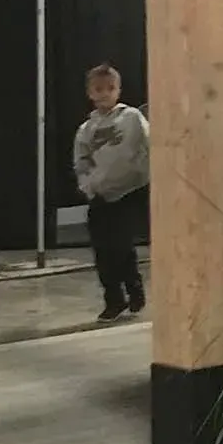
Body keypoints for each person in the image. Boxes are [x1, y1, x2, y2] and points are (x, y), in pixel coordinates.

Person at [72, 63, 149, 322]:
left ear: (118, 90)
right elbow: (81, 161)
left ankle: (134, 286)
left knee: (121, 245)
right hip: (100, 196)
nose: (104, 94)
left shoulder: (131, 118)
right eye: (98, 89)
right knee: (103, 250)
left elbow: (147, 147)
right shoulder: (86, 130)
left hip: (128, 192)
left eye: (110, 88)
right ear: (90, 93)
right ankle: (113, 298)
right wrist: (88, 185)